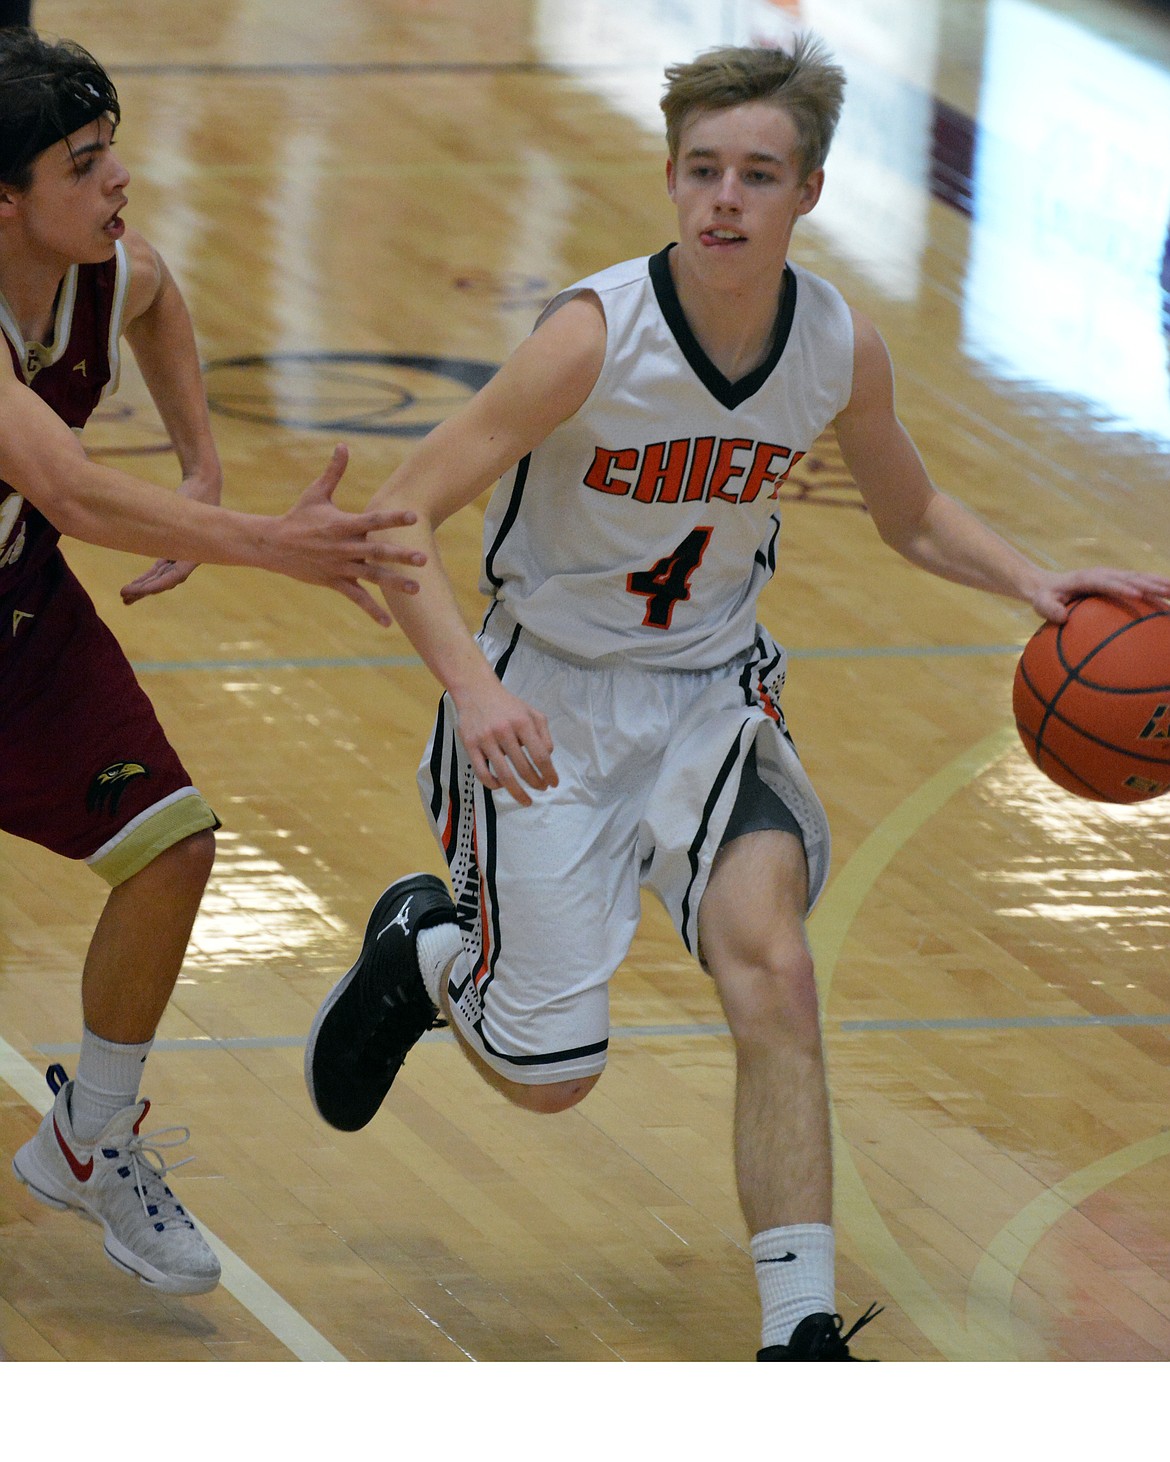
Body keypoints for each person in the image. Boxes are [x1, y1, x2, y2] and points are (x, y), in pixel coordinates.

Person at [304, 37, 1170, 1358]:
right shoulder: (588, 339)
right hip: (545, 698)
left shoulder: (834, 345)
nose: (723, 200)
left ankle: (799, 1332)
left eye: (755, 175)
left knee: (772, 968)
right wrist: (472, 692)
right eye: (702, 171)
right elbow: (396, 518)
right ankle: (426, 954)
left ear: (807, 192)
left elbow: (911, 510)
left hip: (713, 697)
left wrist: (1033, 579)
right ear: (667, 177)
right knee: (551, 1078)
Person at [1, 30, 422, 1296]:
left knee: (172, 845)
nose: (118, 175)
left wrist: (202, 462)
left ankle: (91, 1140)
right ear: (5, 200)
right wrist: (267, 542)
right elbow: (70, 488)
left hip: (15, 623)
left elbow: (164, 297)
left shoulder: (97, 272)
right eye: (85, 162)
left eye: (111, 146)